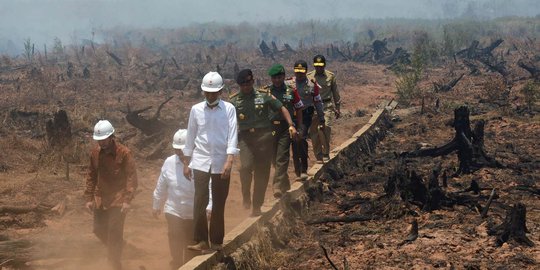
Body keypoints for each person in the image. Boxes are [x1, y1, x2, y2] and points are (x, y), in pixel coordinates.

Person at [183, 71, 239, 252]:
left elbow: (232, 135)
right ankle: (200, 240)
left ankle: (216, 240)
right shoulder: (196, 110)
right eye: (207, 92)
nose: (210, 95)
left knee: (219, 200)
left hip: (221, 160)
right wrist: (186, 161)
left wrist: (230, 160)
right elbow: (190, 135)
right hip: (200, 159)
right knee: (200, 199)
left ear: (220, 91)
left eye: (213, 92)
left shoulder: (229, 109)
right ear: (203, 92)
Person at [229, 69, 297, 216]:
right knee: (245, 167)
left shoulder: (264, 95)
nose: (246, 86)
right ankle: (246, 194)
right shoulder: (234, 101)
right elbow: (228, 122)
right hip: (246, 139)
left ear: (253, 81)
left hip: (264, 138)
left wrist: (291, 124)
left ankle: (256, 206)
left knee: (262, 173)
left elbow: (282, 108)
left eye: (248, 82)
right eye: (243, 84)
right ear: (239, 85)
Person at [152, 129, 212, 269]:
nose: (179, 153)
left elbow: (209, 186)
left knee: (191, 247)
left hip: (194, 213)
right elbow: (161, 184)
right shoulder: (169, 162)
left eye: (182, 150)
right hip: (174, 210)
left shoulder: (202, 162)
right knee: (175, 239)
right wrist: (156, 204)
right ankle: (176, 264)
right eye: (176, 150)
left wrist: (210, 207)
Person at [84, 120, 138, 270]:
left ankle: (115, 264)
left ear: (111, 137)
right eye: (98, 140)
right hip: (101, 198)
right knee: (98, 229)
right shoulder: (95, 153)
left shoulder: (124, 153)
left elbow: (131, 178)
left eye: (103, 139)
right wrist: (88, 198)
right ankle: (120, 246)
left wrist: (127, 200)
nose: (101, 142)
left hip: (118, 199)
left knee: (114, 233)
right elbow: (91, 175)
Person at [265, 64, 304, 198]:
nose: (277, 80)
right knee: (274, 159)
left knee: (282, 156)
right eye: (274, 78)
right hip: (270, 128)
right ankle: (285, 183)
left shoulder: (291, 91)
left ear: (283, 77)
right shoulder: (265, 93)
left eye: (279, 77)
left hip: (286, 128)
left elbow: (299, 109)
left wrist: (298, 126)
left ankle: (276, 186)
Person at [286, 60, 325, 181]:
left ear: (306, 71)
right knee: (294, 141)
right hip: (292, 116)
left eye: (302, 72)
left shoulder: (312, 85)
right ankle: (297, 169)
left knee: (301, 138)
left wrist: (321, 118)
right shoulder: (288, 83)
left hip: (306, 115)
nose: (299, 75)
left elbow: (318, 102)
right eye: (297, 72)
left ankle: (303, 169)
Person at [307, 54, 341, 163]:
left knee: (325, 127)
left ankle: (326, 152)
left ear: (324, 65)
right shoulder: (309, 77)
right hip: (313, 107)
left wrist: (338, 107)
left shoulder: (330, 76)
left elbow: (335, 93)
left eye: (321, 66)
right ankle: (318, 155)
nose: (319, 68)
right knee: (314, 133)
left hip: (327, 106)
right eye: (316, 66)